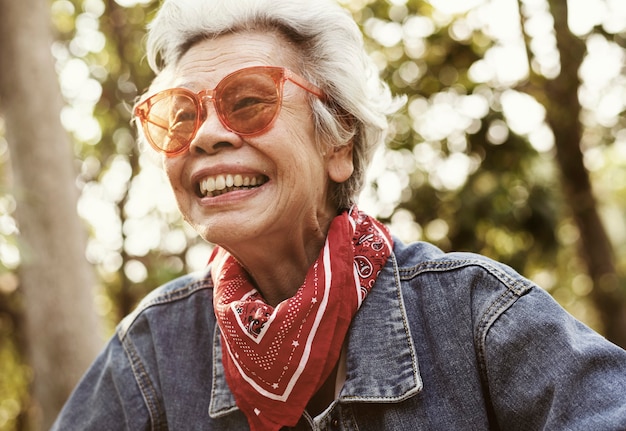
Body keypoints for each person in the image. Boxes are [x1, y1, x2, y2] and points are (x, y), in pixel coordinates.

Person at [52, 0, 626, 429]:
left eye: (248, 101)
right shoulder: (154, 346)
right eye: (179, 115)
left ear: (338, 143)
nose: (204, 135)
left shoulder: (475, 311)